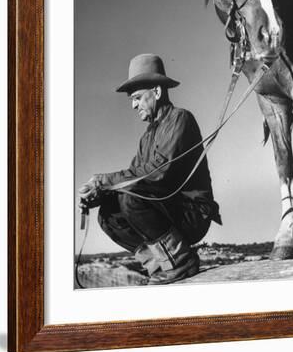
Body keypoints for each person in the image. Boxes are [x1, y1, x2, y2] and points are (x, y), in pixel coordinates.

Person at [78, 53, 221, 285]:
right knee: (107, 214)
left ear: (156, 92)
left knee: (130, 198)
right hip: (169, 211)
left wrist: (102, 181)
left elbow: (156, 173)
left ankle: (181, 262)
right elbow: (132, 177)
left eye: (137, 98)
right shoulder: (147, 138)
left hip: (193, 214)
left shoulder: (180, 119)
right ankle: (159, 265)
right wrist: (97, 195)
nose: (133, 105)